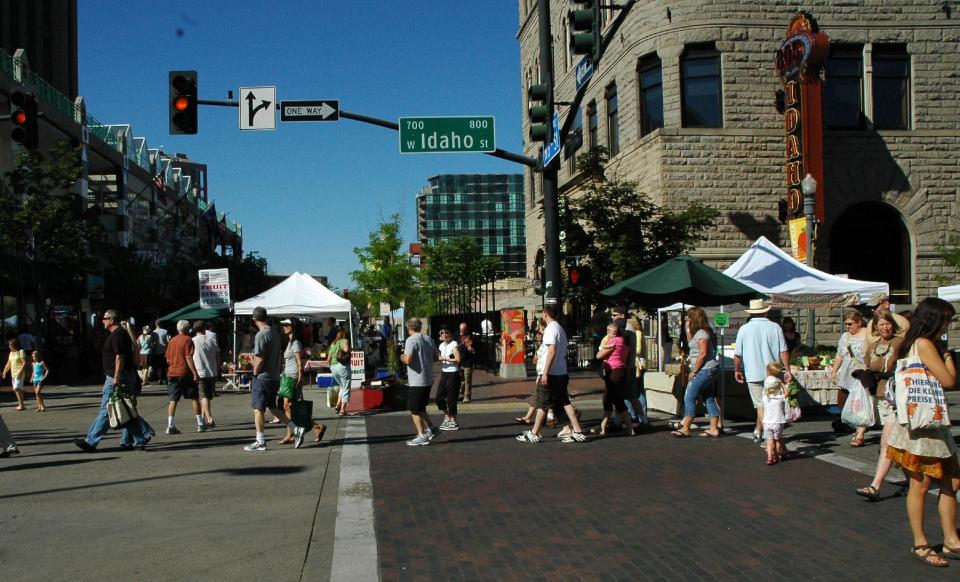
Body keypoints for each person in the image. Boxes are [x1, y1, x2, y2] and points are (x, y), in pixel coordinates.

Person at [884, 297, 960, 567]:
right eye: (946, 320)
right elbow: (950, 380)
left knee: (950, 481)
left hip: (923, 423)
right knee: (922, 484)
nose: (947, 326)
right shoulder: (926, 345)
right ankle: (921, 543)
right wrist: (948, 356)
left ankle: (951, 539)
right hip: (925, 427)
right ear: (935, 320)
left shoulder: (907, 344)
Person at [75, 309, 153, 452]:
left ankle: (91, 441)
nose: (102, 321)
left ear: (111, 320)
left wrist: (116, 376)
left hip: (118, 376)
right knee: (124, 408)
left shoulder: (117, 335)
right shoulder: (119, 334)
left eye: (104, 318)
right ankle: (141, 437)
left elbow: (119, 357)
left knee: (108, 410)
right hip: (122, 375)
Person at [516, 305, 586, 443]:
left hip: (552, 372)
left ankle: (534, 433)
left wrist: (545, 372)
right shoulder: (560, 328)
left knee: (543, 402)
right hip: (562, 371)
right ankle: (577, 430)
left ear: (545, 313)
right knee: (565, 402)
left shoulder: (550, 329)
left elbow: (552, 351)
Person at [855, 311, 906, 500]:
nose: (885, 327)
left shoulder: (900, 343)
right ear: (875, 327)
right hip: (882, 394)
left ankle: (875, 486)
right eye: (881, 324)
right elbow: (870, 365)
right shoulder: (874, 345)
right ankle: (915, 478)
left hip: (897, 396)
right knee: (897, 442)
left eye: (888, 324)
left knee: (887, 442)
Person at [244, 307, 305, 452]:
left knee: (258, 408)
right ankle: (295, 429)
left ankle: (260, 441)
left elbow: (259, 359)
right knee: (273, 407)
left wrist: (253, 366)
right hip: (274, 376)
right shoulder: (275, 333)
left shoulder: (261, 335)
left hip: (263, 377)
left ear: (254, 319)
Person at [734, 299, 792, 443]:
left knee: (761, 405)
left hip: (753, 372)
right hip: (773, 372)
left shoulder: (744, 329)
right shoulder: (775, 327)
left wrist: (736, 369)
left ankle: (768, 437)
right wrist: (788, 369)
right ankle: (760, 431)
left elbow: (737, 354)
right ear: (765, 311)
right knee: (770, 404)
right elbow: (784, 350)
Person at [671, 306, 721, 438]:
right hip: (709, 369)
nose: (687, 319)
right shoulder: (698, 332)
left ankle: (686, 427)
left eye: (689, 317)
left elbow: (703, 353)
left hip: (705, 369)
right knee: (708, 398)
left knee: (689, 397)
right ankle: (714, 428)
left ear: (694, 318)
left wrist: (694, 371)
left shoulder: (701, 333)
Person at [400, 318, 441, 446]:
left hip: (417, 379)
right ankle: (432, 428)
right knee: (421, 407)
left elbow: (408, 359)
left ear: (408, 328)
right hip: (428, 378)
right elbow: (436, 357)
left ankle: (422, 435)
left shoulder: (411, 340)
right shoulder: (429, 339)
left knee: (414, 409)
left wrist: (401, 356)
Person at [829, 309, 868, 441]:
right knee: (844, 397)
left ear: (859, 322)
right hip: (847, 372)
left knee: (860, 399)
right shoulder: (845, 336)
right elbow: (840, 355)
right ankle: (848, 421)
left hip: (860, 372)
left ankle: (859, 427)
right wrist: (834, 370)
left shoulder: (867, 334)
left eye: (850, 324)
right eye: (846, 324)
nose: (848, 326)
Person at [595, 321, 633, 436]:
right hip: (621, 371)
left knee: (616, 400)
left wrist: (604, 346)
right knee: (610, 398)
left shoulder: (614, 341)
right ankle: (603, 426)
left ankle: (630, 428)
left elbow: (599, 355)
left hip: (613, 372)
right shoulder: (625, 342)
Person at [165, 320, 203, 434]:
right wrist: (195, 373)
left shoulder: (172, 341)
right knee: (194, 397)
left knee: (173, 400)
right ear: (187, 329)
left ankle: (170, 425)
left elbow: (167, 359)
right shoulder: (188, 340)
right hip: (185, 372)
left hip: (172, 372)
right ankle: (200, 423)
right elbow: (188, 357)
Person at [613, 306, 648, 429]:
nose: (612, 317)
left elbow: (625, 351)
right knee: (624, 397)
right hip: (626, 368)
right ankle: (618, 421)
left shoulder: (627, 330)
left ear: (622, 315)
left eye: (614, 315)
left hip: (627, 368)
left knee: (632, 396)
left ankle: (642, 420)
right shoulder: (625, 330)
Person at [516, 320, 546, 425]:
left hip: (546, 375)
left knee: (543, 398)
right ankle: (529, 418)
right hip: (542, 374)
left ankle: (534, 426)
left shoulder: (547, 344)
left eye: (540, 331)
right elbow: (534, 360)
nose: (538, 335)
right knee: (538, 397)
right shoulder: (540, 346)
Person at [192, 320, 219, 430]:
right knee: (207, 397)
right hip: (212, 371)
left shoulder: (192, 341)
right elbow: (217, 355)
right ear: (205, 329)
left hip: (200, 371)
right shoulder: (211, 340)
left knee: (203, 396)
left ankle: (209, 419)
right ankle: (203, 420)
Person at [761, 363, 788, 465]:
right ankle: (778, 455)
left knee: (769, 441)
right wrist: (782, 384)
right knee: (777, 440)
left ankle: (770, 457)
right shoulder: (780, 398)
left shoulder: (765, 398)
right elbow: (787, 393)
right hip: (778, 422)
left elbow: (764, 392)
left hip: (767, 422)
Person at [435, 326, 462, 430]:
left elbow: (458, 359)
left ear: (450, 334)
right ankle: (447, 416)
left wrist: (445, 358)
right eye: (443, 333)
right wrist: (439, 359)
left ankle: (454, 422)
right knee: (438, 398)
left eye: (447, 332)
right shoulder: (441, 345)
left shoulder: (454, 344)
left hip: (453, 374)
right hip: (444, 373)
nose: (445, 335)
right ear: (440, 336)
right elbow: (441, 359)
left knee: (451, 399)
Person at [327, 328, 352, 416]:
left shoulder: (333, 344)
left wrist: (331, 367)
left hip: (333, 367)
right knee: (346, 388)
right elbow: (346, 349)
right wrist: (350, 350)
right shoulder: (344, 341)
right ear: (344, 335)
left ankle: (338, 405)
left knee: (342, 386)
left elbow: (328, 359)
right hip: (342, 366)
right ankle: (342, 410)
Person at [3, 338, 28, 410]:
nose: (9, 347)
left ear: (15, 345)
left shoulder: (21, 351)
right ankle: (21, 405)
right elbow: (9, 363)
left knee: (16, 388)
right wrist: (5, 371)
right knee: (17, 389)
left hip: (19, 372)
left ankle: (21, 405)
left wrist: (20, 372)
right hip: (13, 373)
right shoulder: (11, 353)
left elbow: (24, 362)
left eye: (10, 345)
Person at [458, 322, 476, 402]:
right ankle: (461, 394)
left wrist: (472, 350)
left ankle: (467, 397)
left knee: (467, 380)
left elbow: (476, 349)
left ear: (467, 329)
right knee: (461, 381)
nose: (462, 331)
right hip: (459, 361)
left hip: (468, 361)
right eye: (461, 330)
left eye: (464, 330)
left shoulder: (471, 337)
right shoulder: (456, 336)